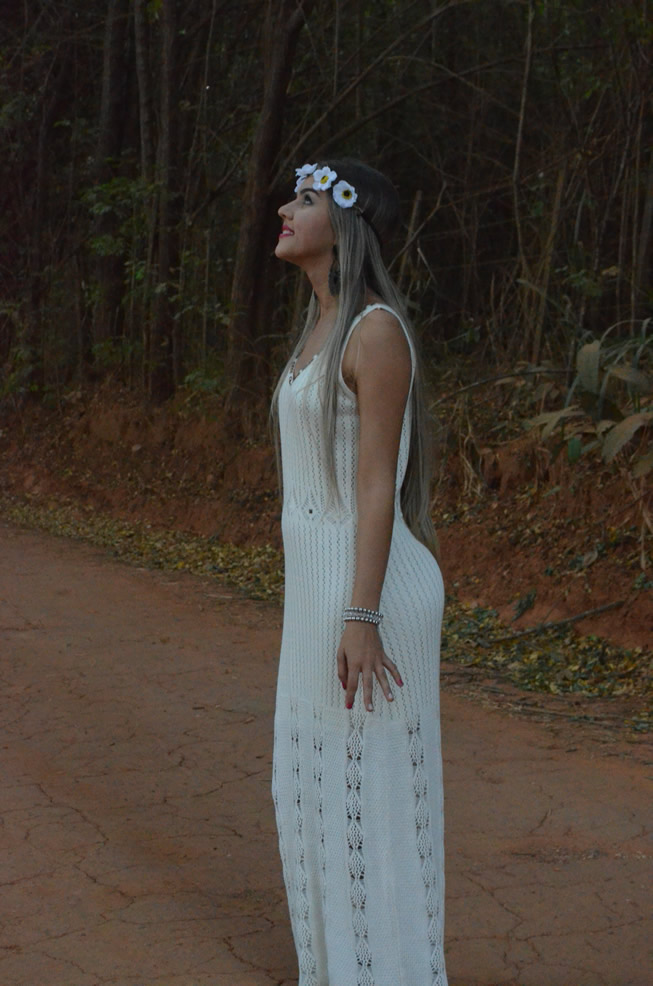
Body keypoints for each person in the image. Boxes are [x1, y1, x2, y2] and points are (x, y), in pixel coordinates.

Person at [271, 158, 447, 986]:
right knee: (309, 783)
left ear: (345, 224)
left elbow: (377, 485)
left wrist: (362, 616)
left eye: (303, 199)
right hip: (321, 592)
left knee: (367, 794)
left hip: (369, 594)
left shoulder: (374, 331)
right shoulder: (318, 326)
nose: (284, 208)